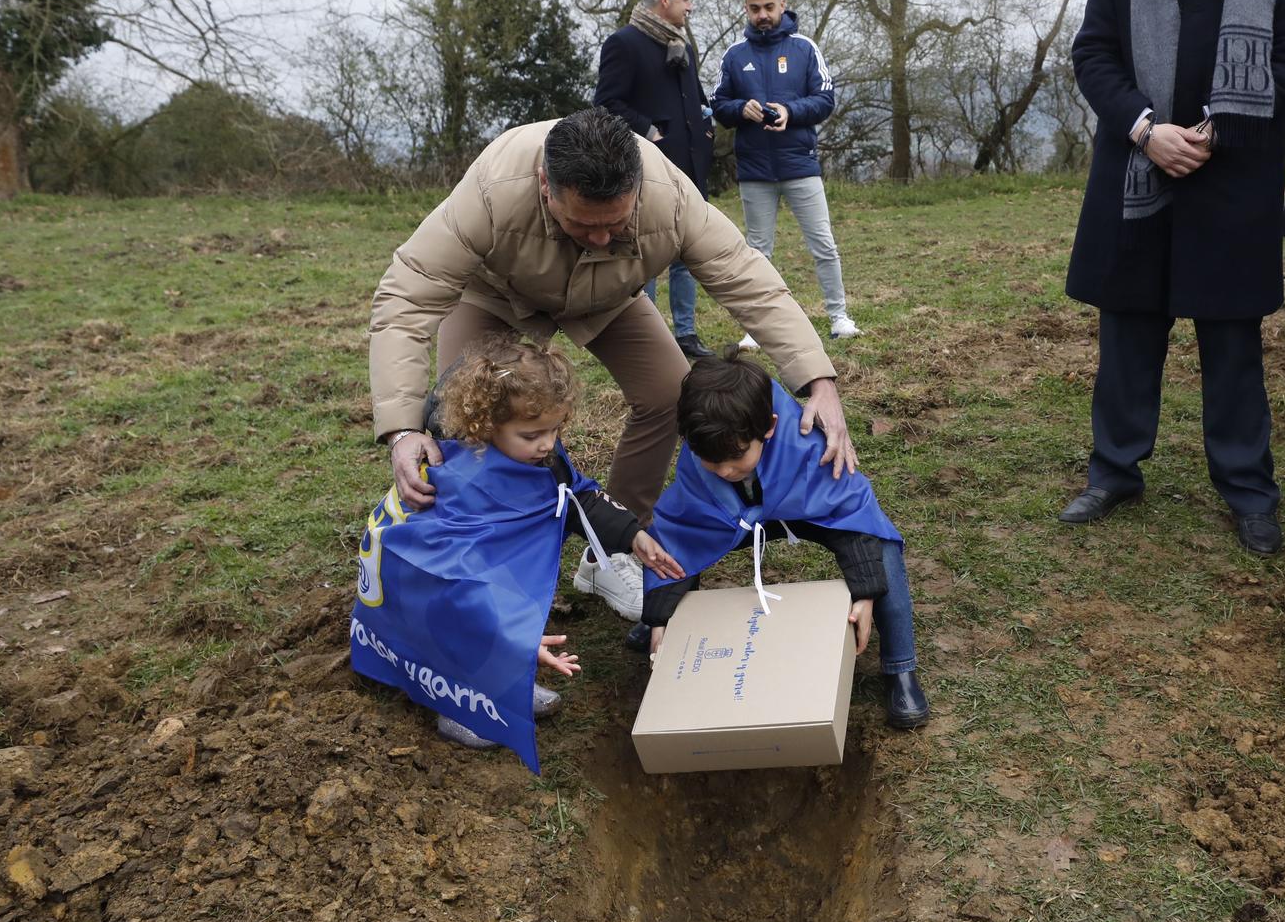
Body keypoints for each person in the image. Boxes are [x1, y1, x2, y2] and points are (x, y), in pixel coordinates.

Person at [369, 109, 861, 620]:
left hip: (608, 294)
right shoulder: (493, 189)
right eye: (582, 223)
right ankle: (487, 581)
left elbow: (747, 278)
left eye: (616, 224)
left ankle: (612, 551)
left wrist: (818, 380)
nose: (601, 237)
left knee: (671, 392)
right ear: (545, 185)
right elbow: (405, 297)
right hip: (495, 294)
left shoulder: (669, 196)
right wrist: (402, 429)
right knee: (465, 427)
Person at [1058, 0, 1285, 555]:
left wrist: (1214, 129)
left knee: (1232, 343)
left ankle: (1247, 488)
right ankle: (1114, 469)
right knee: (1129, 332)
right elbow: (1093, 54)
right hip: (1138, 172)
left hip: (1233, 174)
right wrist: (1146, 128)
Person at [350, 338, 682, 759]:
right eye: (533, 434)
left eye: (555, 430)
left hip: (486, 573)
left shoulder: (539, 457)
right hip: (425, 588)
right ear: (485, 425)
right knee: (478, 617)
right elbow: (455, 584)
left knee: (508, 607)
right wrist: (515, 639)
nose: (548, 444)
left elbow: (576, 495)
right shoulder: (458, 480)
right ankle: (462, 706)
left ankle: (504, 681)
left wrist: (632, 534)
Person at [642, 352, 929, 729]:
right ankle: (671, 634)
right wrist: (661, 614)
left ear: (770, 427)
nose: (725, 471)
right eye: (712, 462)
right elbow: (680, 533)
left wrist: (866, 590)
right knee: (673, 562)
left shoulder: (808, 448)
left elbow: (852, 515)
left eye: (736, 457)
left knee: (882, 544)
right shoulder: (702, 454)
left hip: (809, 509)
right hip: (735, 517)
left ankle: (901, 667)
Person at [711, 0, 860, 343]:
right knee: (757, 253)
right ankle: (755, 329)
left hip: (800, 164)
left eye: (769, 7)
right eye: (754, 8)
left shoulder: (805, 48)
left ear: (782, 4)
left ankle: (839, 316)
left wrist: (791, 111)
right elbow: (717, 103)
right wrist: (738, 109)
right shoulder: (734, 55)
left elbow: (825, 98)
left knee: (823, 244)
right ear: (746, 8)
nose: (762, 14)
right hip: (755, 170)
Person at [596, 0, 717, 361]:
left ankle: (685, 334)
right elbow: (607, 104)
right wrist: (651, 132)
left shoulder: (684, 44)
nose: (691, 6)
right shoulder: (623, 43)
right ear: (665, 0)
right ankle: (647, 336)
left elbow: (694, 98)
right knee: (645, 254)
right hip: (647, 169)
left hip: (689, 166)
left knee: (685, 251)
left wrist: (706, 128)